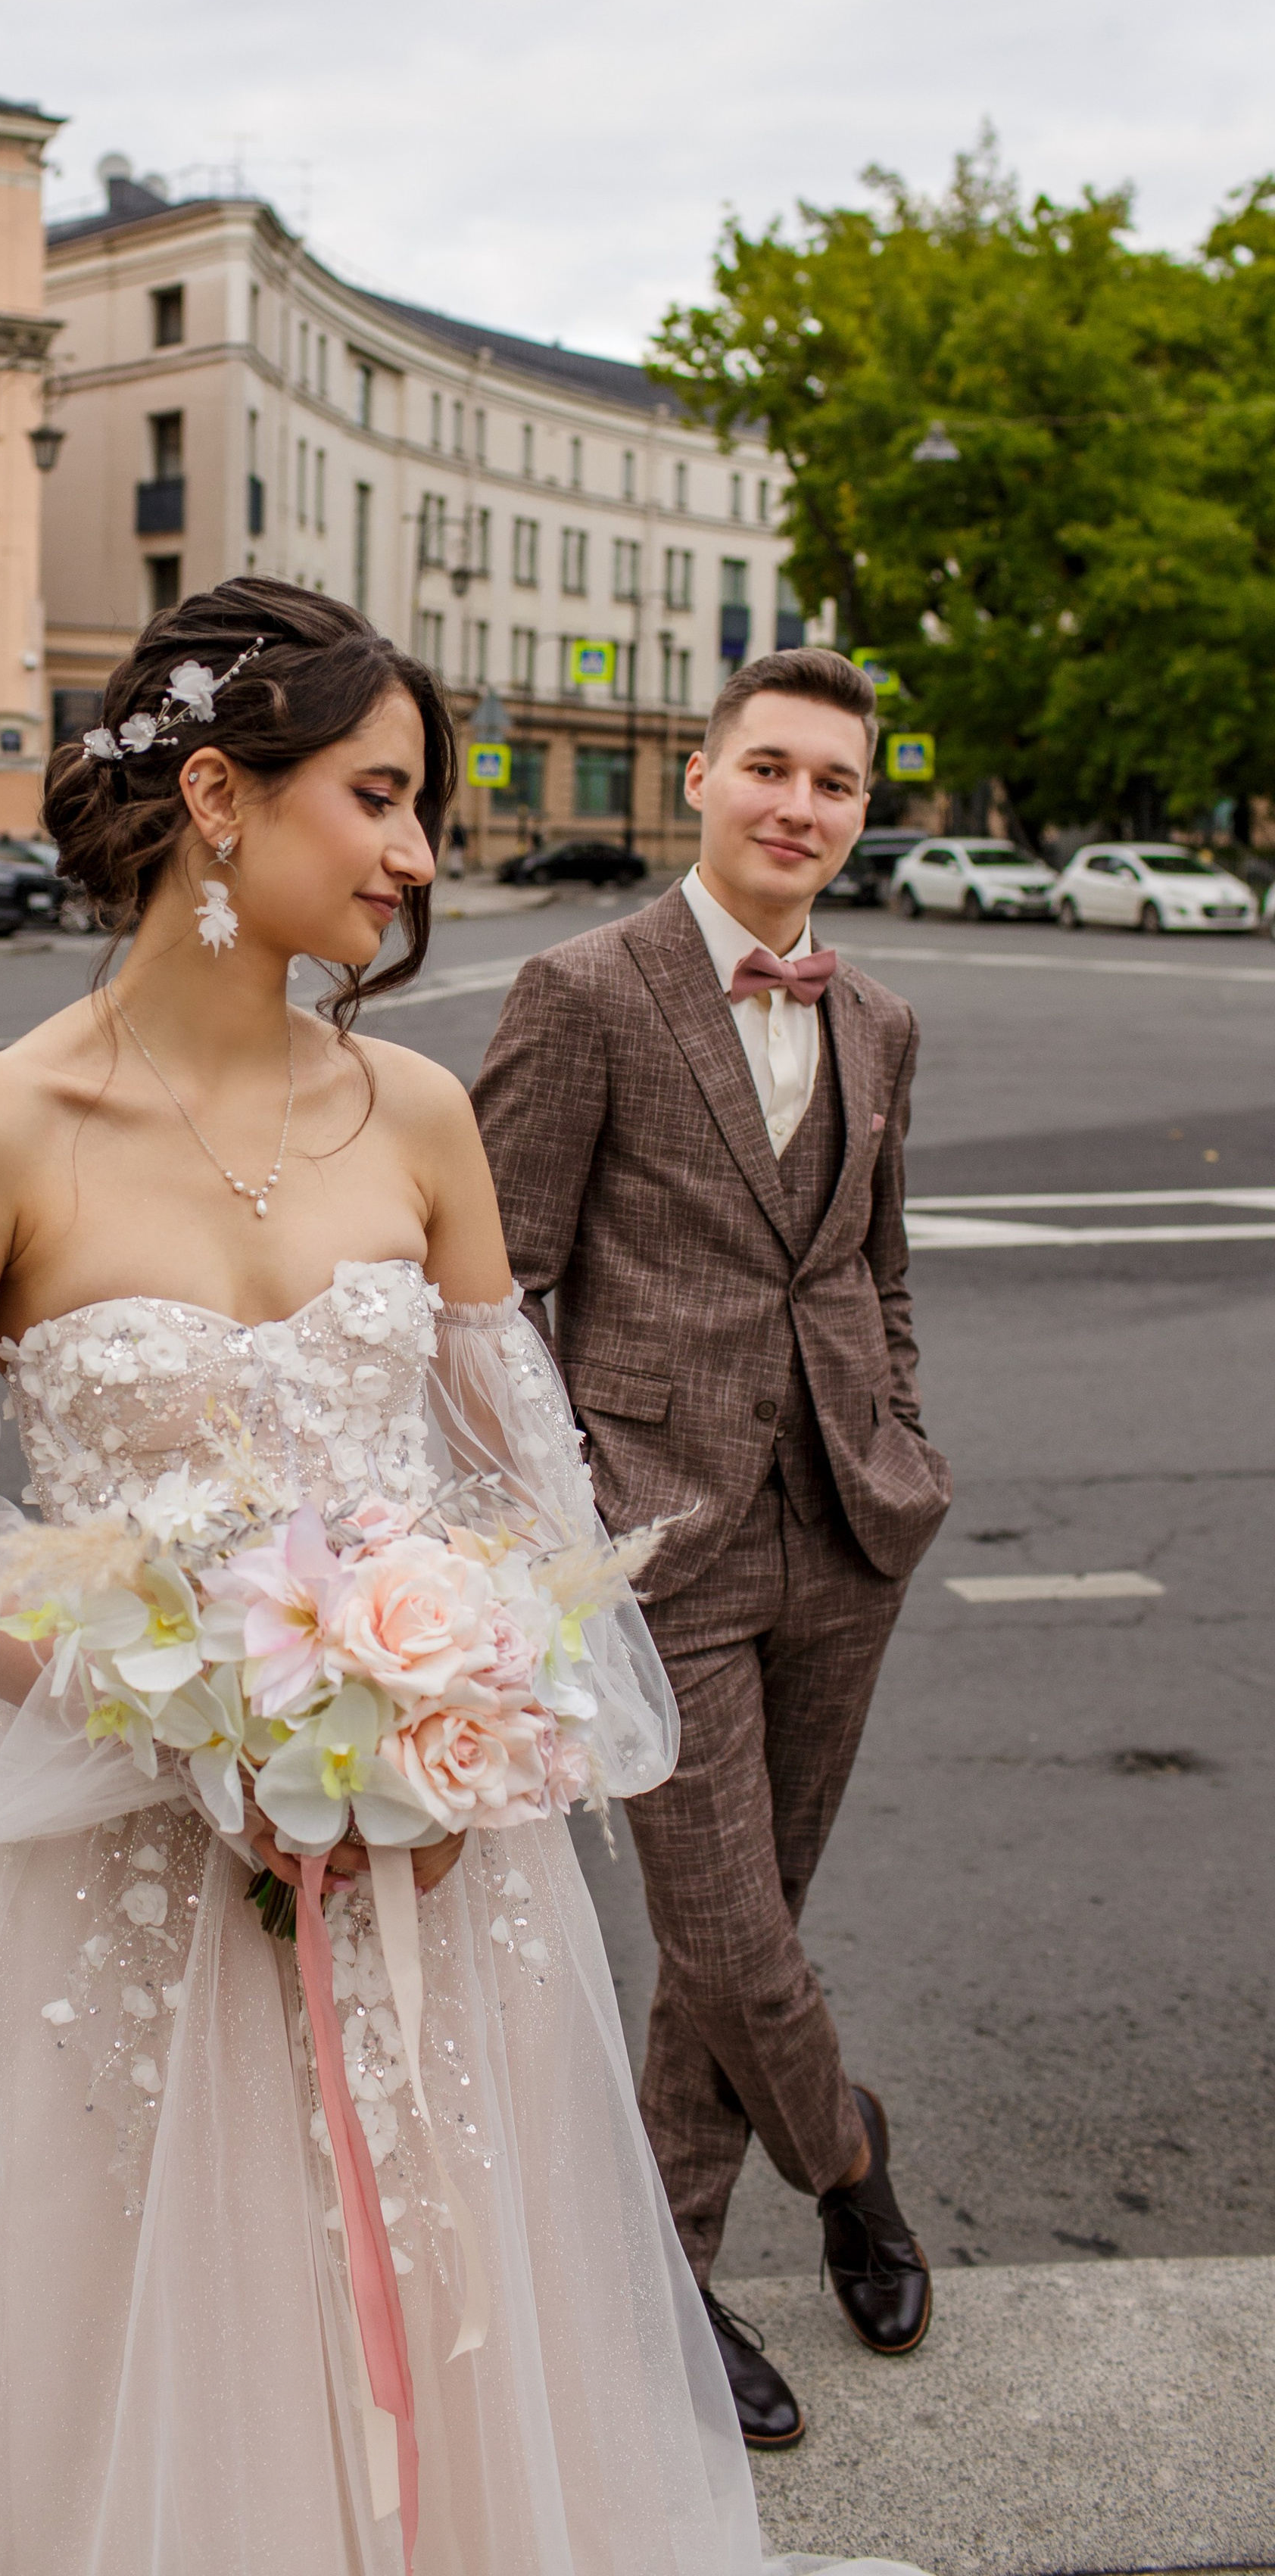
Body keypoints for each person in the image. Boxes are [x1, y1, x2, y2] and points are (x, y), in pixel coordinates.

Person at [0, 584, 924, 2576]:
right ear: (215, 798)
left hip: (431, 1870)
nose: (419, 856)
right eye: (378, 797)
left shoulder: (415, 1114)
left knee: (454, 2314)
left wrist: (448, 1696)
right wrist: (183, 1723)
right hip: (121, 1871)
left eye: (419, 806)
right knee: (118, 2346)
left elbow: (524, 1487)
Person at [472, 648, 952, 2453]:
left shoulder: (879, 1020)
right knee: (726, 1935)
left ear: (858, 809)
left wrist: (899, 1432)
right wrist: (578, 1512)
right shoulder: (582, 989)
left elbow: (873, 1266)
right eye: (768, 767)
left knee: (740, 1946)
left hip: (846, 1525)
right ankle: (846, 2155)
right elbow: (493, 1290)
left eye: (832, 782)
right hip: (655, 1550)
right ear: (698, 777)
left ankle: (665, 2283)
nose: (796, 807)